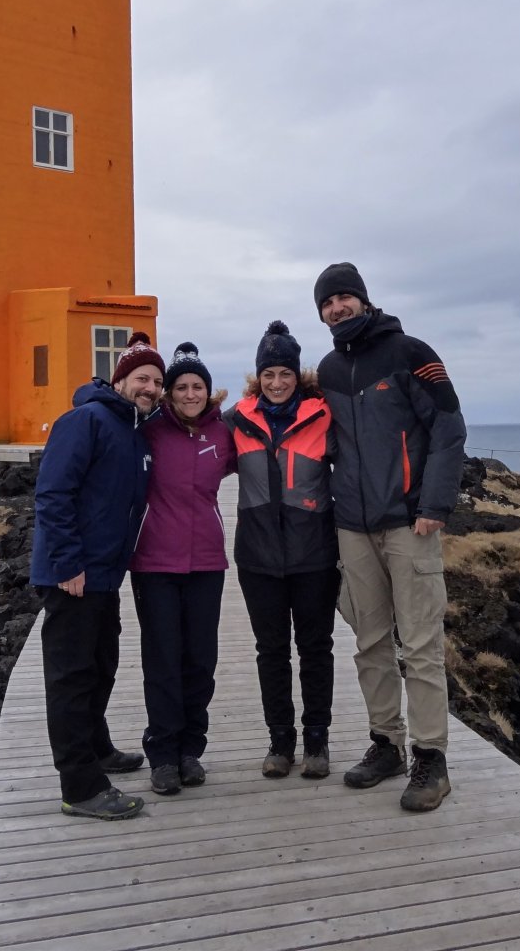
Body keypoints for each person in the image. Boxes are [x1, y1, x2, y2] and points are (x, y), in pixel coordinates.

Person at [314, 263, 466, 812]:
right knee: (370, 642)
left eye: (344, 298)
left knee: (421, 644)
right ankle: (386, 743)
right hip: (352, 525)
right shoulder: (329, 369)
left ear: (363, 299)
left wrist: (434, 505)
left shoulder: (411, 353)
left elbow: (450, 428)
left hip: (409, 522)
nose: (337, 309)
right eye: (328, 304)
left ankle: (432, 757)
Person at [30, 331, 162, 820]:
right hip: (74, 576)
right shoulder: (85, 420)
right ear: (120, 379)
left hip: (104, 575)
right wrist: (67, 566)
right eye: (141, 378)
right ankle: (80, 786)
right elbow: (53, 494)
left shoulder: (132, 428)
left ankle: (98, 746)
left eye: (156, 381)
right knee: (71, 678)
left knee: (101, 664)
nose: (149, 387)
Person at [228, 320, 338, 780]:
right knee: (270, 651)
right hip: (258, 558)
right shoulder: (235, 420)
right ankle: (280, 741)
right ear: (259, 377)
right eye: (269, 374)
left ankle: (317, 742)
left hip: (314, 555)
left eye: (285, 374)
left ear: (297, 376)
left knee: (315, 649)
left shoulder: (324, 415)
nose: (277, 383)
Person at [129, 342, 235, 796]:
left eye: (198, 387)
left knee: (200, 660)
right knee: (163, 660)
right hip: (154, 561)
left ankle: (191, 749)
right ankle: (163, 753)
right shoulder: (148, 430)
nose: (191, 394)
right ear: (168, 393)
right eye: (182, 387)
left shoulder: (223, 434)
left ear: (208, 393)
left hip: (207, 563)